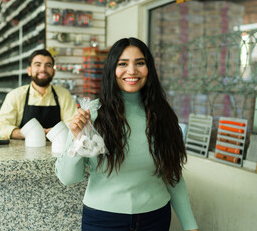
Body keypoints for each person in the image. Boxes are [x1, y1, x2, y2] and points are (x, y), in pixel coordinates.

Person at [55, 38, 199, 231]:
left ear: (149, 69)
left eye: (140, 63)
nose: (132, 71)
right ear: (111, 69)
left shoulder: (163, 115)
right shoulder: (92, 114)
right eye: (122, 64)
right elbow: (67, 178)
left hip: (155, 219)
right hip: (103, 221)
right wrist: (77, 139)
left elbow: (173, 175)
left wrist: (190, 225)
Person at [0, 49, 77, 140]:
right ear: (29, 70)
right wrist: (26, 133)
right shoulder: (15, 95)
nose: (43, 69)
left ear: (54, 72)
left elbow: (73, 125)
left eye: (48, 65)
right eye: (38, 65)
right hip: (22, 152)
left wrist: (56, 132)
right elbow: (0, 129)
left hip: (56, 150)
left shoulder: (63, 95)